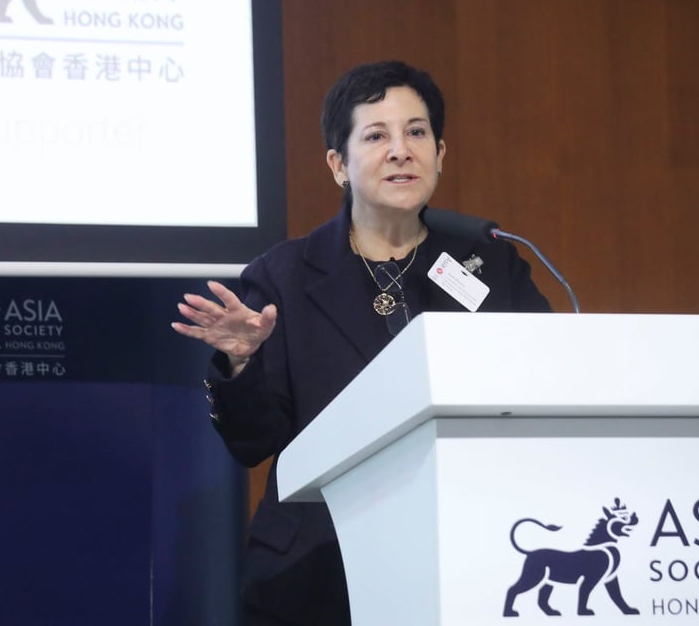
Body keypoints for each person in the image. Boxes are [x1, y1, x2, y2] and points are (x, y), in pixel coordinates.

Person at [171, 60, 551, 626]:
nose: (400, 151)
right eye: (376, 136)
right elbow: (254, 442)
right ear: (338, 165)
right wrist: (242, 362)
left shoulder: (491, 263)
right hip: (319, 570)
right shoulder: (283, 276)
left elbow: (544, 382)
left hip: (470, 553)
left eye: (416, 132)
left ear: (440, 154)